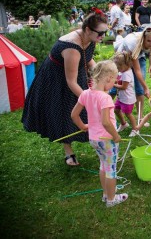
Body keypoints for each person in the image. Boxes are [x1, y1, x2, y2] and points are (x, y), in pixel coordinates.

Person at [22, 11, 108, 166]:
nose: (103, 36)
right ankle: (68, 151)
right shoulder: (71, 47)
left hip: (74, 73)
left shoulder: (91, 38)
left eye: (105, 32)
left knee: (85, 111)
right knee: (65, 112)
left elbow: (88, 59)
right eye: (101, 33)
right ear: (88, 29)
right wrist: (91, 100)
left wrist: (102, 75)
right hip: (57, 79)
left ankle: (99, 144)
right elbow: (71, 82)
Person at [70, 60, 128, 207]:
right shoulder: (105, 97)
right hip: (107, 139)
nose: (113, 84)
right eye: (114, 80)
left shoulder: (85, 93)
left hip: (94, 139)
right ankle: (111, 199)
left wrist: (83, 126)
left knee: (104, 166)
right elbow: (106, 122)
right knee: (111, 170)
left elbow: (74, 115)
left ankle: (105, 194)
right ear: (108, 78)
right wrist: (115, 136)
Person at [116, 26, 151, 126]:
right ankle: (109, 113)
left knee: (139, 90)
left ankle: (140, 119)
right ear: (143, 38)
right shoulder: (133, 43)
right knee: (116, 86)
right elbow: (137, 70)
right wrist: (146, 87)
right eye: (149, 41)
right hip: (123, 57)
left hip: (139, 55)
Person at [112, 52, 138, 137]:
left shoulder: (127, 74)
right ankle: (123, 124)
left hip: (127, 99)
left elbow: (123, 87)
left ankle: (135, 129)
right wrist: (115, 81)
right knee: (116, 110)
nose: (117, 69)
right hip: (121, 98)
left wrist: (113, 84)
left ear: (126, 64)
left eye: (119, 67)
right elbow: (119, 80)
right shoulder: (122, 71)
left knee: (128, 114)